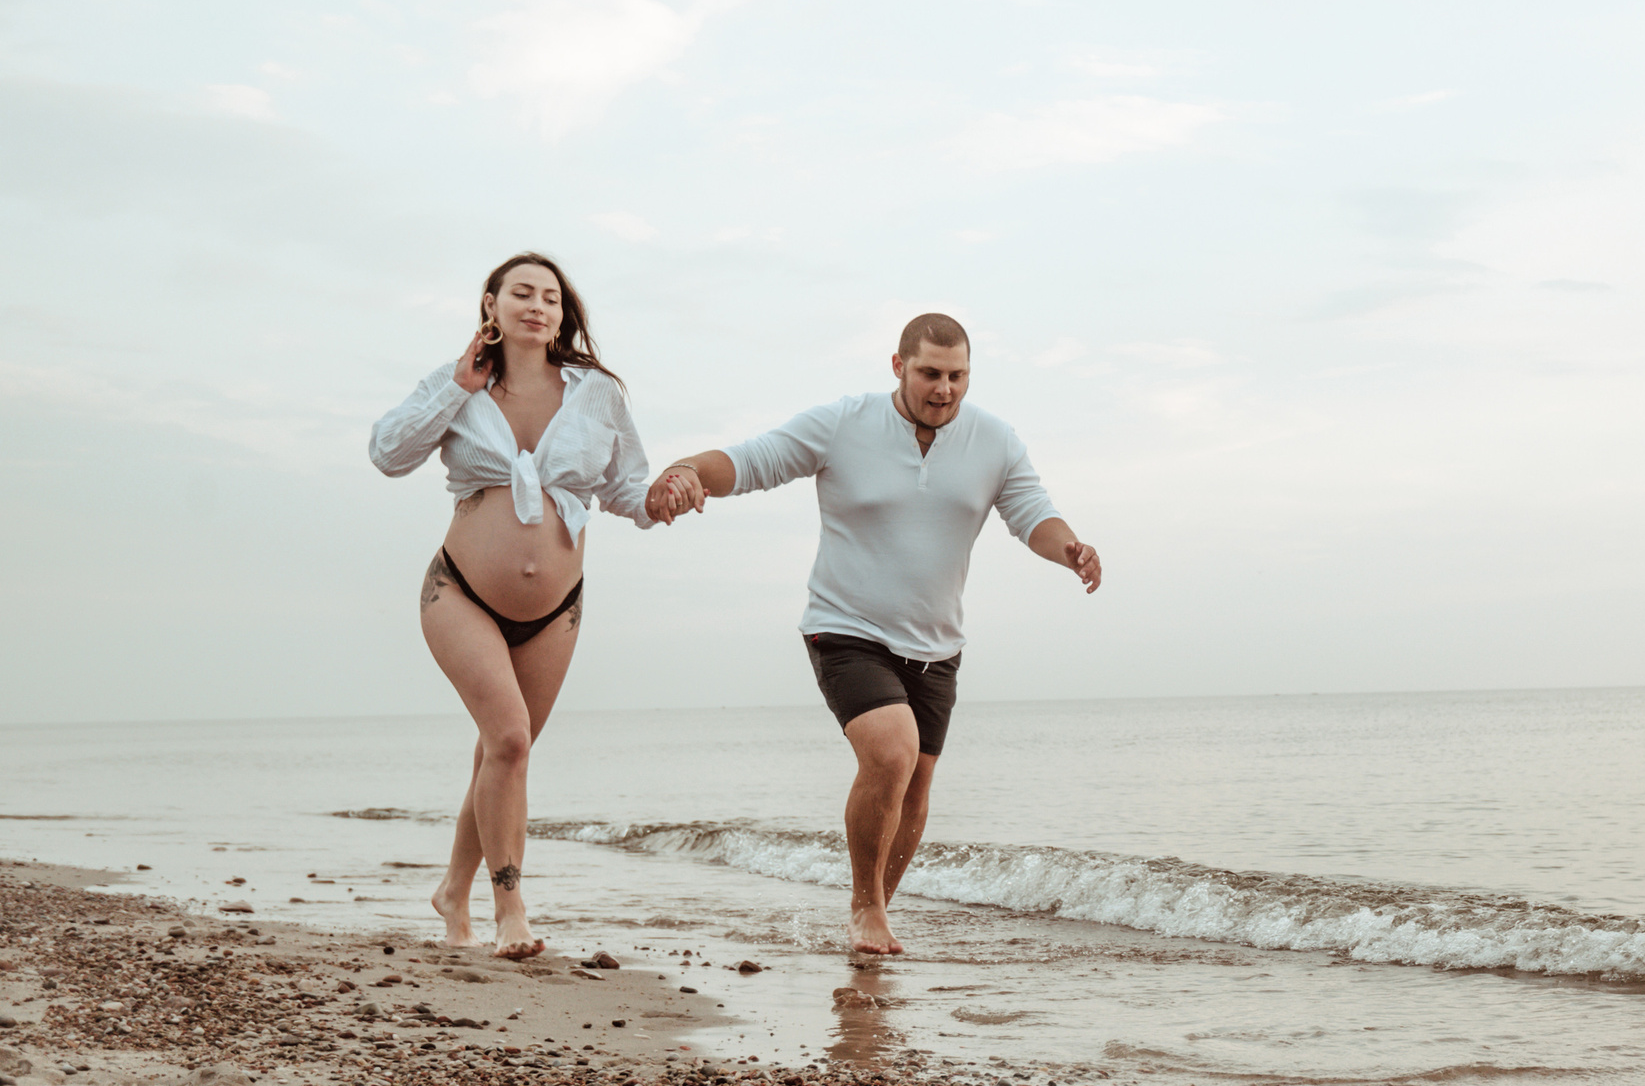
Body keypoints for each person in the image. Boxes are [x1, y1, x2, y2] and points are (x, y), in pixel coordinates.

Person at [646, 313, 1100, 956]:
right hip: (846, 626)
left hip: (937, 643)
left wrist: (1071, 549)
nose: (944, 389)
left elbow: (1032, 514)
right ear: (897, 366)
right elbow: (754, 461)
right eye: (930, 374)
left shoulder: (995, 440)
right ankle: (865, 911)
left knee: (915, 786)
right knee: (892, 751)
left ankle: (876, 915)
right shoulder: (844, 422)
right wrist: (688, 469)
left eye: (958, 376)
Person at [369, 253, 659, 959]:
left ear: (564, 314)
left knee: (504, 751)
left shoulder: (598, 393)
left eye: (552, 298)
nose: (538, 306)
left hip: (557, 606)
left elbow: (629, 489)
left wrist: (667, 496)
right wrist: (456, 388)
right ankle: (511, 911)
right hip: (459, 591)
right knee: (509, 740)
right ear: (491, 306)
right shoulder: (459, 383)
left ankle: (450, 891)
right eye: (521, 293)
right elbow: (387, 452)